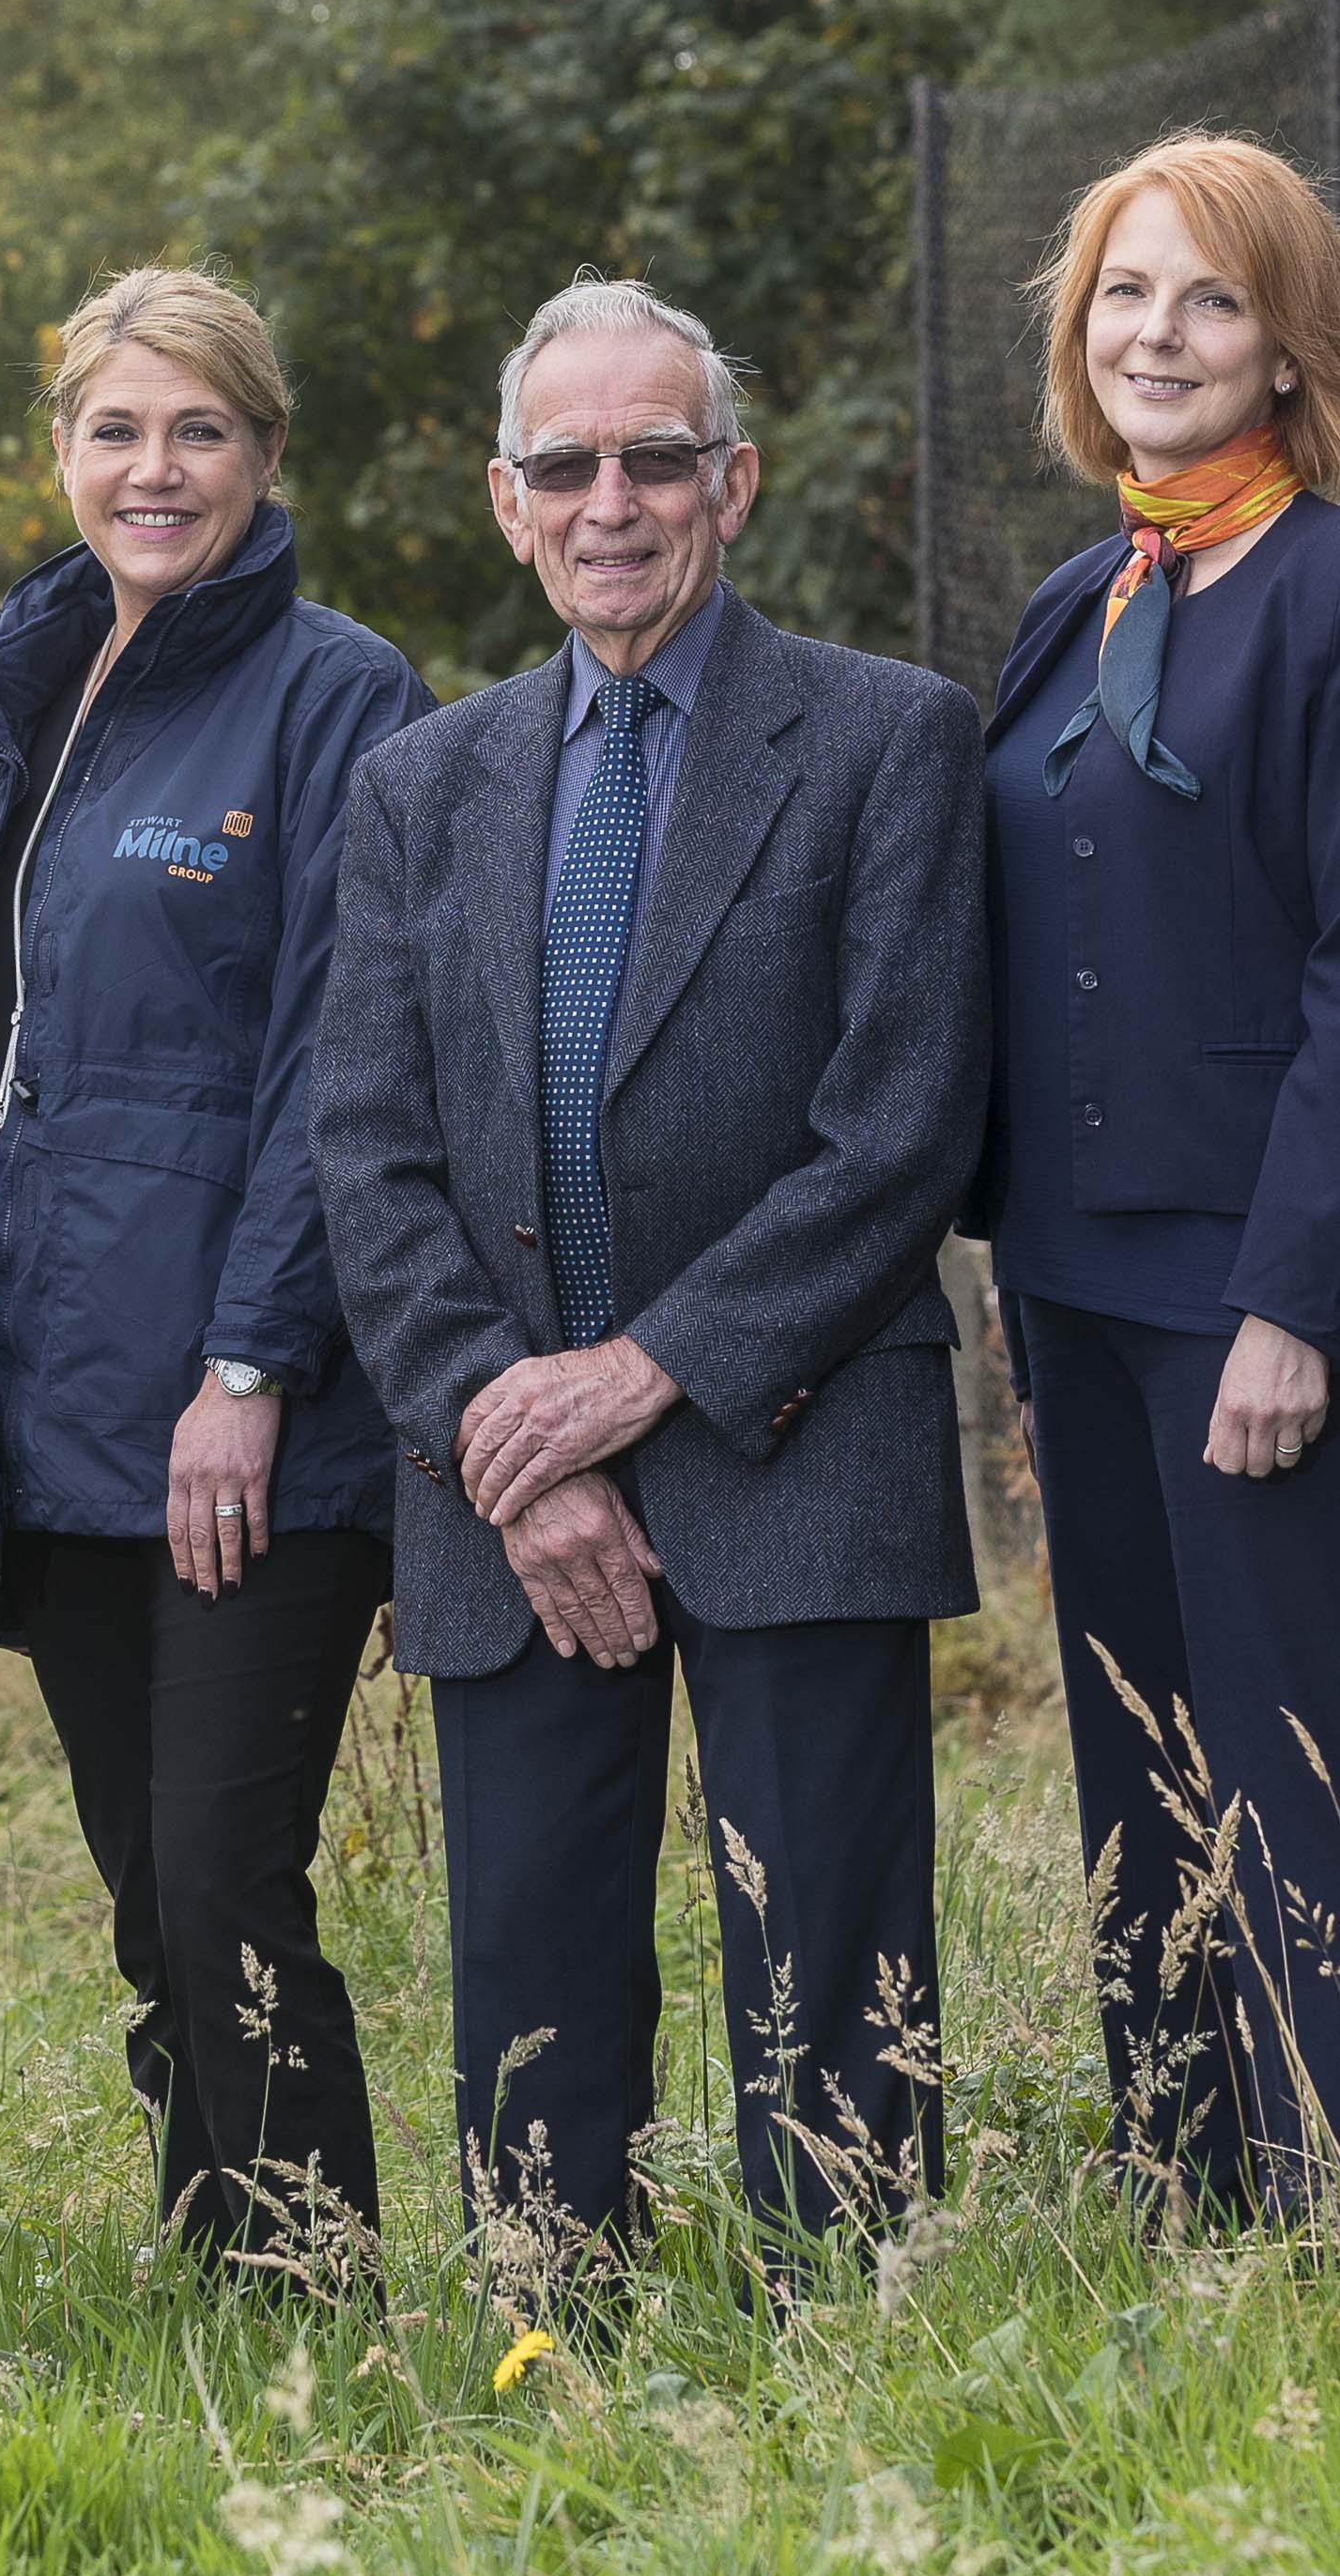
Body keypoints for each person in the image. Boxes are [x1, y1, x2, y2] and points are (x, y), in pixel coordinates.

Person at [316, 277, 989, 2285]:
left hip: (802, 1440)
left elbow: (899, 1131)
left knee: (832, 1949)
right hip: (502, 1486)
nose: (610, 502)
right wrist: (513, 1444)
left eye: (654, 459)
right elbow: (365, 1153)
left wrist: (644, 1378)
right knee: (524, 1955)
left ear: (734, 484)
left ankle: (850, 2342)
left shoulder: (886, 738)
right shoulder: (415, 791)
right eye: (564, 467)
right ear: (503, 504)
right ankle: (549, 2342)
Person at [0, 269, 431, 2267]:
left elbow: (334, 1064)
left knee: (221, 1872)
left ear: (266, 457)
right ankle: (218, 2263)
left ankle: (311, 2285)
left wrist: (253, 1362)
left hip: (241, 1416)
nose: (153, 468)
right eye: (114, 429)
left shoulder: (336, 695)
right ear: (60, 455)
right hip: (47, 1399)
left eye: (198, 429)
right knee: (142, 1887)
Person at [970, 134, 1340, 2221]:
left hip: (1292, 1281)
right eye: (1120, 296)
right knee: (1140, 1755)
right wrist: (1013, 1300)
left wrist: (1291, 1299)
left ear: (1286, 344)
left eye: (1203, 300)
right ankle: (1186, 2189)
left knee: (1307, 1760)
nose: (1154, 337)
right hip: (1083, 1286)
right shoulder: (1067, 605)